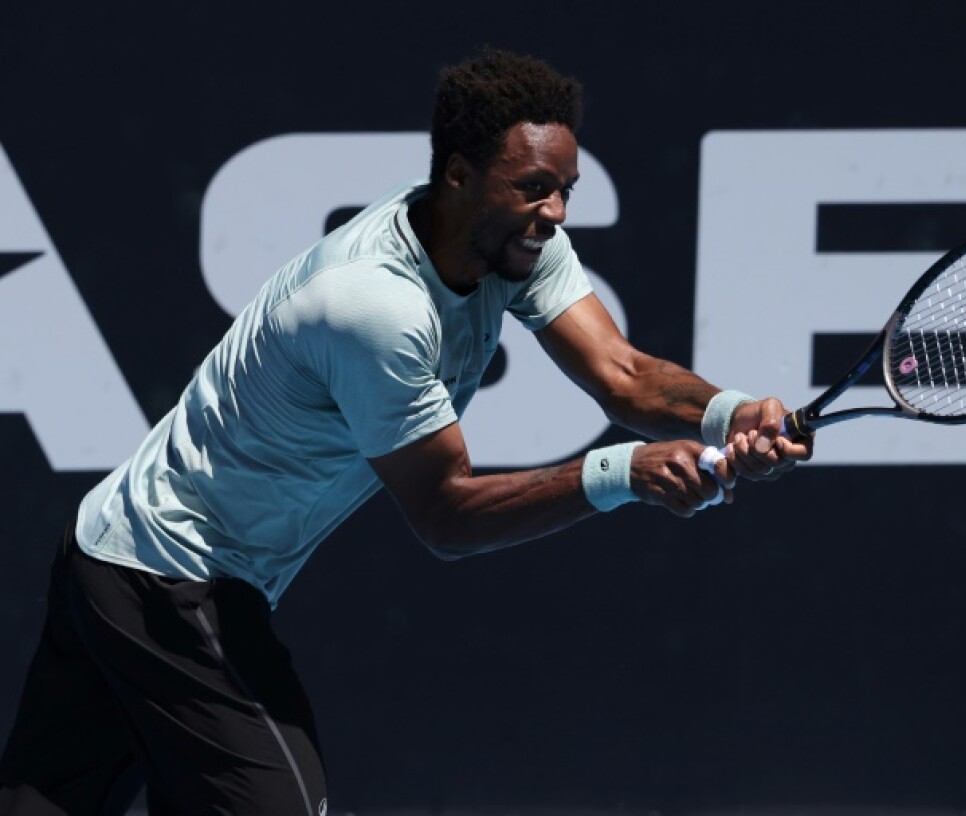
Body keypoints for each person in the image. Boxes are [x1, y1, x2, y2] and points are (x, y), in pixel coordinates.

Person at [0, 47, 811, 815]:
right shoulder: (376, 308)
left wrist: (729, 412)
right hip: (170, 577)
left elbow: (623, 375)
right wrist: (624, 474)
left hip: (113, 548)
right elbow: (446, 514)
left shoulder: (512, 242)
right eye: (535, 188)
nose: (555, 213)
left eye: (566, 189)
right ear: (458, 174)